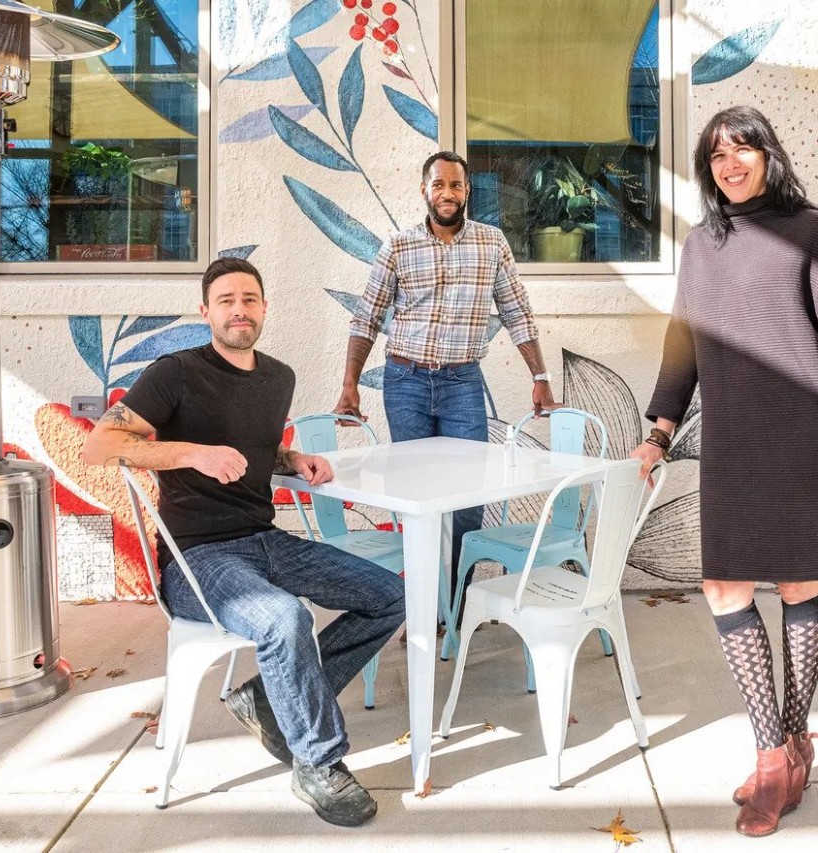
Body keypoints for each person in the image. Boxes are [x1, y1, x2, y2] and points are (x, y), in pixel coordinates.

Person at [81, 257, 406, 828]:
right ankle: (318, 763)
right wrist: (188, 453)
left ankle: (267, 700)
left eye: (249, 299)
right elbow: (99, 446)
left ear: (263, 309)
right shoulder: (175, 371)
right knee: (284, 619)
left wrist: (293, 458)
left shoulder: (278, 377)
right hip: (197, 558)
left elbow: (256, 447)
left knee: (390, 595)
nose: (239, 309)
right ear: (206, 311)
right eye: (226, 299)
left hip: (265, 538)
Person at [632, 106, 818, 838]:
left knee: (800, 582)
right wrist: (659, 430)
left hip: (806, 438)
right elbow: (683, 344)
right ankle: (775, 750)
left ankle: (788, 749)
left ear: (769, 153)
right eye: (715, 156)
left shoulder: (813, 229)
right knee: (723, 586)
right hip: (733, 443)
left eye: (742, 149)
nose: (729, 164)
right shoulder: (703, 245)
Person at [333, 150, 556, 618]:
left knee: (468, 497)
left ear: (467, 190)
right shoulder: (398, 247)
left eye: (455, 185)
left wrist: (539, 376)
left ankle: (452, 605)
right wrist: (350, 384)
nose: (447, 194)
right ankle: (421, 602)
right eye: (439, 185)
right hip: (405, 382)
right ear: (424, 190)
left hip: (462, 385)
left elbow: (518, 314)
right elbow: (367, 317)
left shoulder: (492, 244)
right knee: (416, 494)